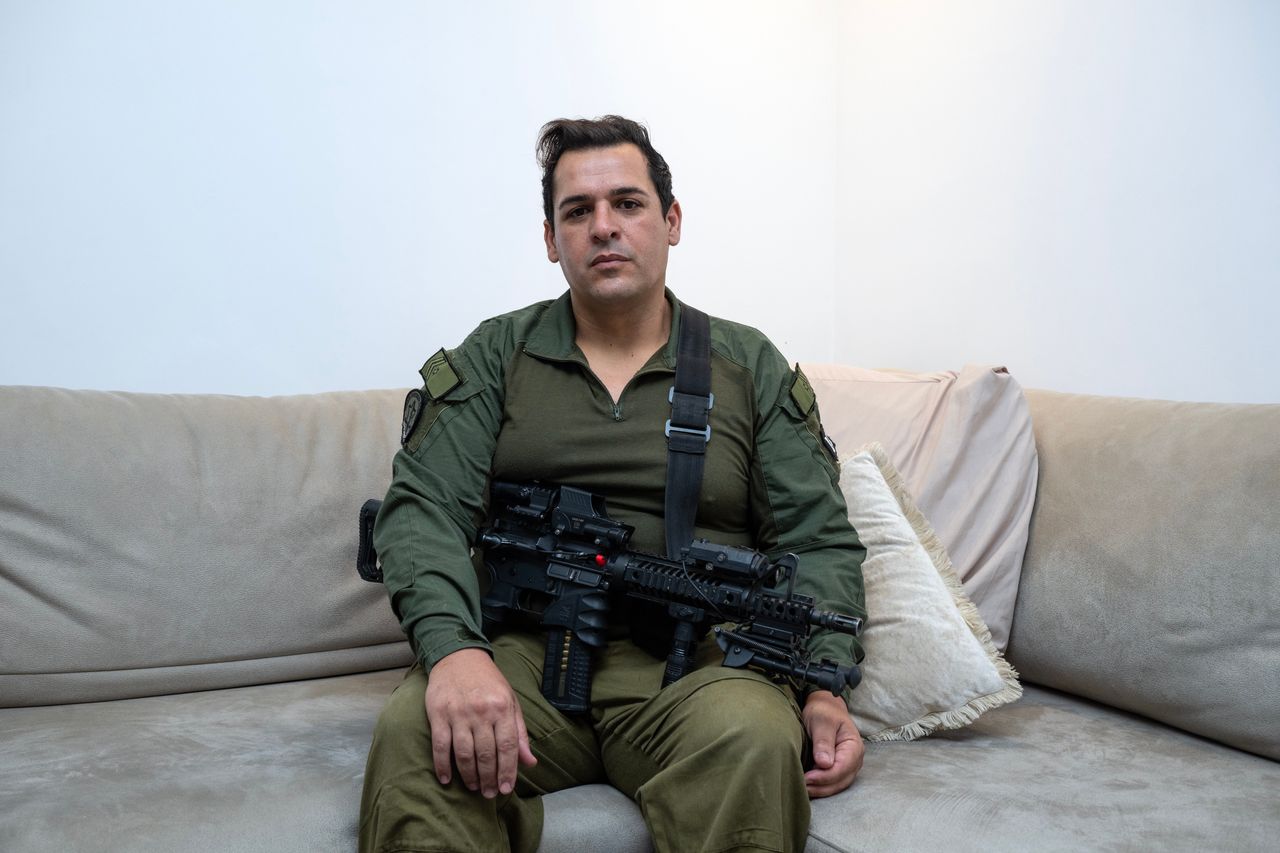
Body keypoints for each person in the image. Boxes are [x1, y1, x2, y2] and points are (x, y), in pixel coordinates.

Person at [360, 115, 867, 853]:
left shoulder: (747, 365)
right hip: (520, 656)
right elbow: (423, 512)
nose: (604, 226)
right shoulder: (498, 354)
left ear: (671, 221)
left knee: (754, 738)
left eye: (627, 203)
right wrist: (454, 653)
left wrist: (823, 685)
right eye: (578, 211)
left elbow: (816, 539)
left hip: (696, 668)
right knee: (417, 733)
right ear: (551, 238)